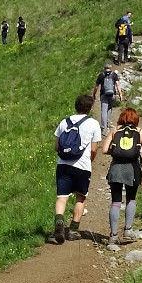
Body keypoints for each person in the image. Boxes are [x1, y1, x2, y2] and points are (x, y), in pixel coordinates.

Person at [51, 94, 102, 243]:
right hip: (82, 166)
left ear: (76, 106)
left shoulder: (64, 122)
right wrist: (89, 161)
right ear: (90, 107)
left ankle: (59, 221)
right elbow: (94, 149)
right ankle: (73, 230)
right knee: (80, 197)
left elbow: (56, 146)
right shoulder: (93, 124)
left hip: (63, 164)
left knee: (62, 196)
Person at [98, 107, 142, 245]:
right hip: (132, 169)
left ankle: (114, 235)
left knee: (116, 201)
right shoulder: (141, 132)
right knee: (131, 199)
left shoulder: (115, 130)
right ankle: (128, 230)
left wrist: (116, 151)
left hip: (116, 168)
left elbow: (104, 150)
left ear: (122, 118)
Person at [94, 63, 123, 130]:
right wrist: (120, 94)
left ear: (104, 68)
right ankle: (106, 122)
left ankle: (104, 127)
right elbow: (118, 85)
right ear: (111, 68)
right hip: (112, 95)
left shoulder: (101, 75)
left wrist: (94, 94)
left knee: (104, 110)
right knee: (109, 108)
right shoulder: (114, 75)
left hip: (103, 95)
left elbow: (96, 87)